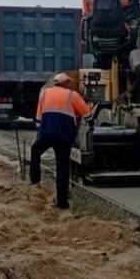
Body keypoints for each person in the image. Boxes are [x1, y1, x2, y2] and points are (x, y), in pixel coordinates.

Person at [29, 72, 91, 209]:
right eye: (68, 82)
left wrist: (39, 135)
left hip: (47, 133)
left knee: (35, 151)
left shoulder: (45, 94)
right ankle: (62, 202)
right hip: (64, 136)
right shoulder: (72, 95)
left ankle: (35, 182)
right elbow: (88, 114)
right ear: (65, 83)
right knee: (62, 167)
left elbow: (38, 119)